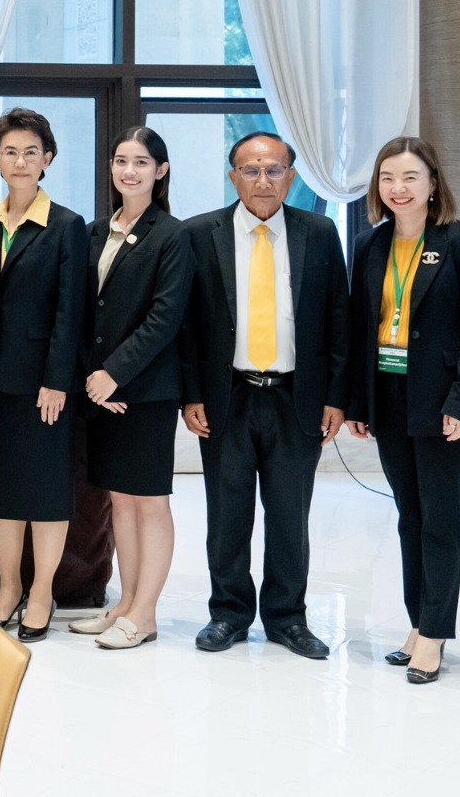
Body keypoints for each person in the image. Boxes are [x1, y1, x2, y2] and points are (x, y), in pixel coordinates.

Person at [178, 132, 348, 660]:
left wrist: (336, 396)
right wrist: (190, 394)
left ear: (291, 177)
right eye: (250, 170)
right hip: (226, 396)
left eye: (274, 170)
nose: (262, 180)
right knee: (227, 515)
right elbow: (187, 324)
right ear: (233, 177)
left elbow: (338, 318)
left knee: (290, 516)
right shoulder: (200, 233)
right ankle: (228, 614)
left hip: (296, 397)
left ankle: (287, 618)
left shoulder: (319, 232)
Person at [344, 137, 460, 684]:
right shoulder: (369, 243)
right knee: (409, 516)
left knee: (440, 519)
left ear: (433, 183)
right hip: (389, 395)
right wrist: (358, 401)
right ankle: (417, 623)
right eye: (388, 177)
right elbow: (361, 326)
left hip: (443, 401)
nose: (398, 188)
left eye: (410, 177)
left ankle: (434, 634)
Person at [0, 108, 86, 643]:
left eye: (31, 151)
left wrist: (57, 380)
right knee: (1, 493)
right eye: (10, 151)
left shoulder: (67, 225)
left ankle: (42, 592)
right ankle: (8, 589)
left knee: (46, 493)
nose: (21, 161)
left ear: (47, 159)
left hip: (43, 387)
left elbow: (71, 312)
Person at [71, 127, 194, 651]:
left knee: (149, 502)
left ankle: (145, 613)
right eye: (121, 160)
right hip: (102, 390)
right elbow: (83, 311)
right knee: (119, 502)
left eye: (142, 162)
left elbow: (165, 318)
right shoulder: (96, 231)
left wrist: (114, 374)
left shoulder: (173, 235)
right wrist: (93, 378)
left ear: (160, 171)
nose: (129, 171)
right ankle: (124, 604)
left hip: (145, 390)